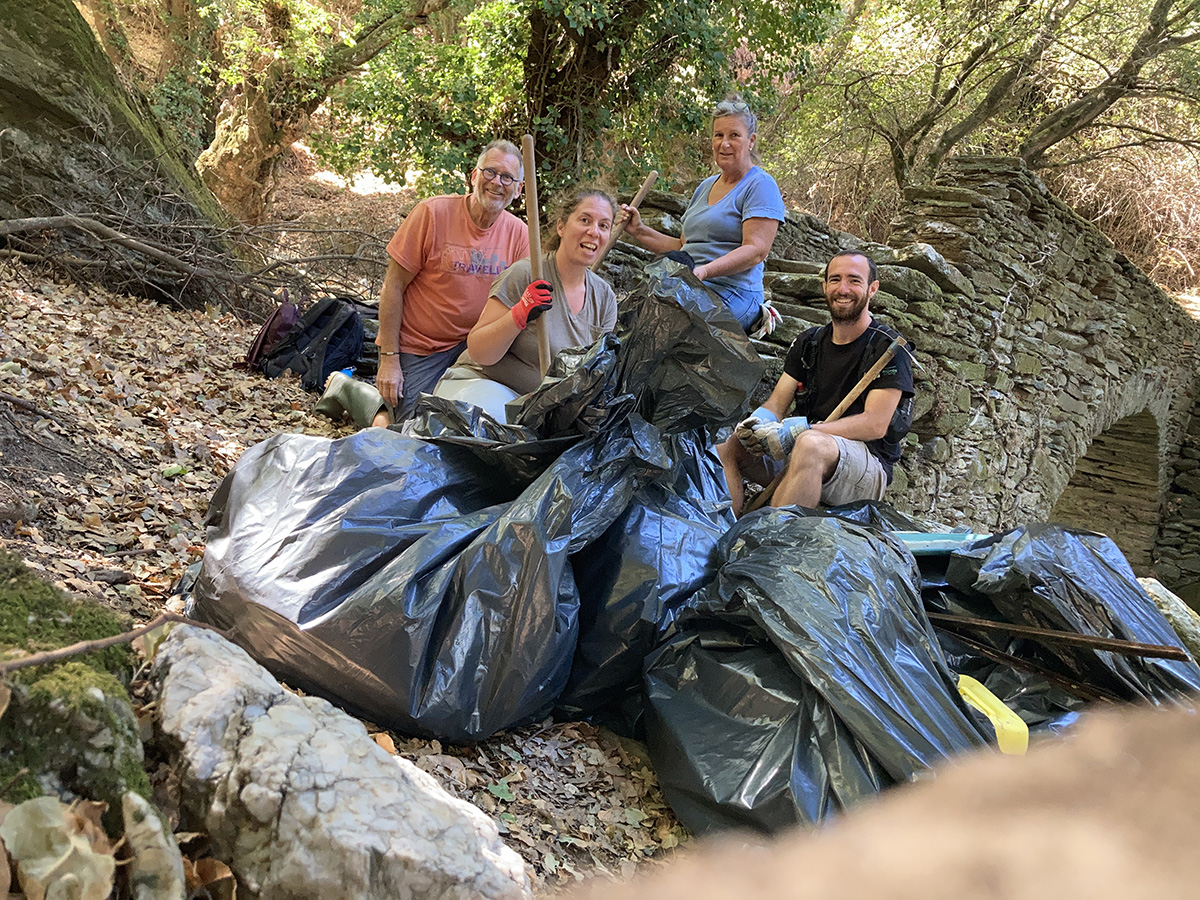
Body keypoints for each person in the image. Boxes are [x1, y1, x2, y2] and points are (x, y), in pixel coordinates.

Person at [315, 139, 529, 427]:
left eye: (507, 177)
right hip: (422, 347)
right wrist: (389, 358)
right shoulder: (433, 213)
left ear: (518, 189)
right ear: (474, 175)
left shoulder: (520, 235)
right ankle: (347, 388)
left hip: (476, 351)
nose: (496, 182)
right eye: (490, 172)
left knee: (475, 425)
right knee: (407, 432)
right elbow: (394, 285)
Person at [717, 250, 915, 515]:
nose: (842, 289)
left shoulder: (887, 348)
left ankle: (773, 538)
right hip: (807, 447)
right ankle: (721, 529)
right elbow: (777, 403)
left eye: (854, 280)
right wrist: (757, 423)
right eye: (835, 280)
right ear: (824, 287)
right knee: (730, 444)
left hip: (867, 465)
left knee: (810, 444)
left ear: (872, 289)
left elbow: (875, 424)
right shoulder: (809, 342)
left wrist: (803, 431)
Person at [433, 187, 619, 422]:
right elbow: (480, 352)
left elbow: (596, 376)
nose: (594, 232)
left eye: (604, 225)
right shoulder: (526, 274)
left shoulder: (604, 299)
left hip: (541, 409)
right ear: (561, 227)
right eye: (585, 220)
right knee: (493, 428)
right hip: (484, 387)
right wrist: (518, 314)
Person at [617, 94, 786, 334]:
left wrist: (705, 271)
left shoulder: (760, 185)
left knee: (669, 329)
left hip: (735, 292)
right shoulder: (704, 187)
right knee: (631, 320)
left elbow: (756, 250)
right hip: (690, 286)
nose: (724, 144)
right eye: (718, 135)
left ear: (751, 141)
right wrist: (639, 230)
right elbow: (683, 247)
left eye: (734, 135)